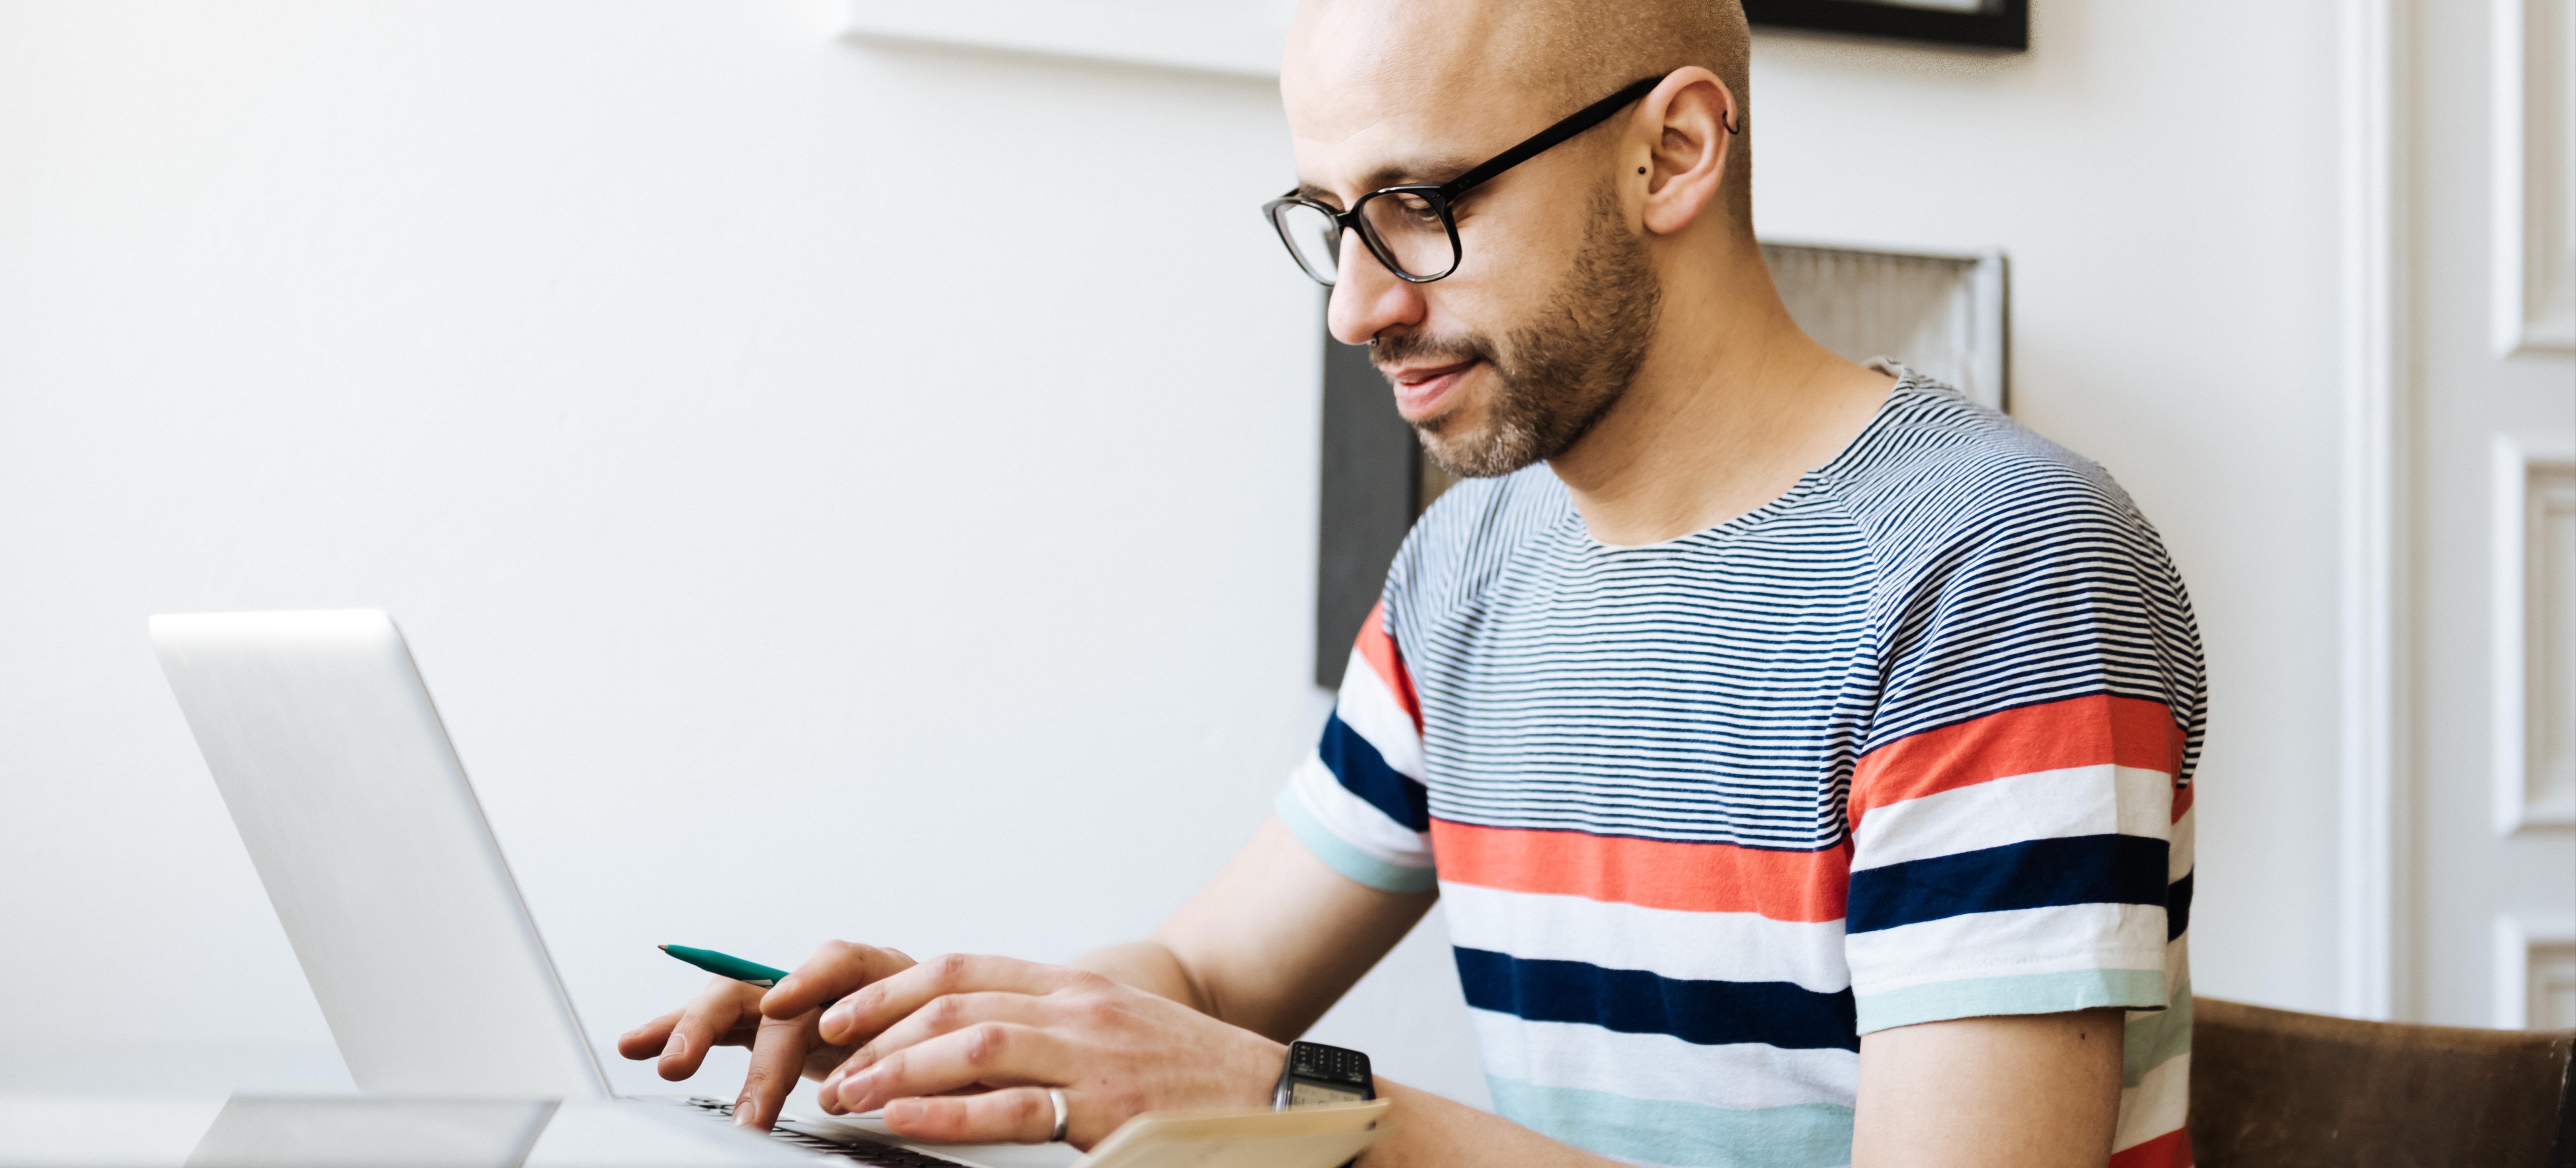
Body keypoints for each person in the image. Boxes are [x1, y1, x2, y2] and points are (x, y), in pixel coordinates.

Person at [617, 0, 2206, 1164]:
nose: (1357, 307)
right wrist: (952, 1018)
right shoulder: (1471, 568)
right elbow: (1209, 976)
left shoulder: (1997, 574)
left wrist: (1291, 1113)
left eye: (1420, 209)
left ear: (1673, 152)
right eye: (1331, 223)